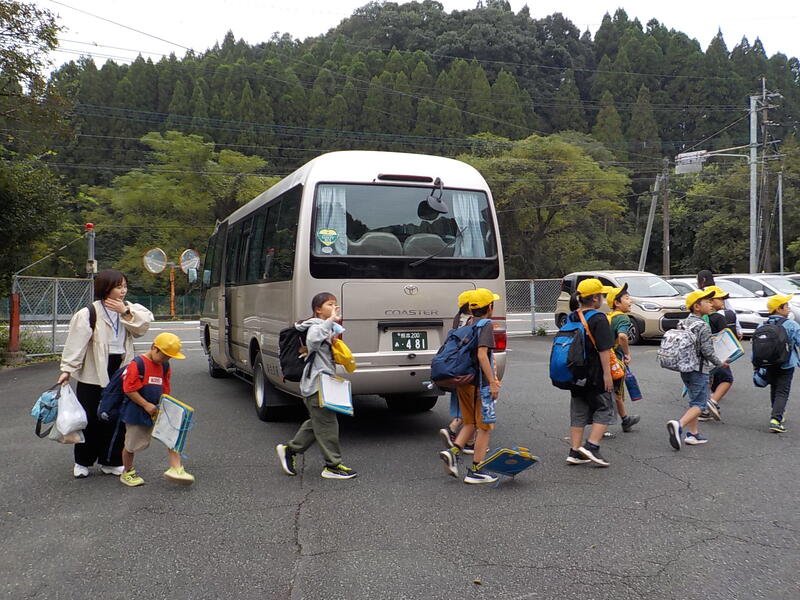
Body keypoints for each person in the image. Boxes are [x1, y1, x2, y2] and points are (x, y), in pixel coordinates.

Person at [57, 269, 153, 479]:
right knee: (90, 417)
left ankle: (111, 461)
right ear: (105, 288)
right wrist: (67, 370)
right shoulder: (89, 313)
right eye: (118, 287)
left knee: (116, 417)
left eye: (124, 286)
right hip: (93, 370)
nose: (123, 291)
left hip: (121, 367)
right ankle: (82, 461)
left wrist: (125, 311)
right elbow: (76, 344)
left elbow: (143, 327)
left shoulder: (130, 309)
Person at [276, 292, 358, 480]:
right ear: (318, 309)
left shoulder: (326, 327)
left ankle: (290, 450)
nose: (334, 307)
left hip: (323, 382)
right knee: (328, 425)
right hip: (316, 384)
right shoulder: (315, 326)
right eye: (330, 304)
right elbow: (312, 341)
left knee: (318, 422)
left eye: (335, 304)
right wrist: (330, 321)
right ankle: (332, 465)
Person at [439, 288, 502, 484]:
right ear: (490, 307)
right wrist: (493, 382)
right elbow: (482, 355)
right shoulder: (486, 325)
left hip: (464, 383)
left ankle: (453, 452)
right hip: (480, 385)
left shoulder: (467, 324)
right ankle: (476, 470)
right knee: (484, 427)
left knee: (470, 423)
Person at [119, 332, 193, 486]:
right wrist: (145, 404)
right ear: (154, 348)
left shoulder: (164, 365)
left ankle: (176, 468)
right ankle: (127, 471)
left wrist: (166, 405)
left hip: (158, 408)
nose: (166, 360)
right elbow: (129, 389)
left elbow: (165, 387)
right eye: (164, 356)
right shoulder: (137, 364)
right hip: (137, 410)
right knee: (131, 444)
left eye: (169, 358)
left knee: (172, 434)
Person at [562, 279, 616, 468]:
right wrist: (607, 375)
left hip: (575, 372)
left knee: (578, 410)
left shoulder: (572, 316)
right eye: (602, 295)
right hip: (594, 373)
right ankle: (592, 445)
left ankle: (575, 451)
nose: (603, 299)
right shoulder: (598, 318)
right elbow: (604, 349)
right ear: (594, 298)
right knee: (605, 408)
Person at [666, 289, 728, 451]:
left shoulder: (683, 322)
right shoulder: (703, 325)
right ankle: (679, 425)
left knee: (693, 400)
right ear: (697, 306)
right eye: (707, 301)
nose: (710, 304)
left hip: (684, 367)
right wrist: (720, 363)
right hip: (699, 369)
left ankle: (693, 434)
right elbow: (707, 351)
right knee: (700, 404)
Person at [438, 290, 476, 454]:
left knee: (459, 397)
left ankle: (469, 441)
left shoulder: (458, 318)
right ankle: (454, 429)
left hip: (456, 366)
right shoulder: (472, 321)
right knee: (472, 402)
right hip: (467, 366)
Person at [761, 294, 800, 433]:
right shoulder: (791, 325)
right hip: (786, 362)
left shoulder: (763, 325)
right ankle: (776, 419)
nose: (788, 309)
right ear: (779, 309)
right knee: (782, 391)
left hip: (768, 363)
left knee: (774, 387)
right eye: (786, 306)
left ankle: (777, 412)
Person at [606, 284, 640, 433]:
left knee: (608, 391)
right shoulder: (622, 318)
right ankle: (617, 421)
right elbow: (622, 336)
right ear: (617, 303)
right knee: (616, 392)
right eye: (626, 298)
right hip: (615, 360)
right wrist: (627, 353)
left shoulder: (607, 317)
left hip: (603, 358)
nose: (630, 301)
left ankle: (625, 419)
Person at [699, 286, 735, 421]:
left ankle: (703, 409)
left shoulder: (700, 318)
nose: (723, 301)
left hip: (702, 356)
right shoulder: (718, 318)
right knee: (727, 379)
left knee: (707, 381)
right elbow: (726, 337)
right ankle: (712, 402)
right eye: (720, 298)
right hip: (718, 355)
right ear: (711, 301)